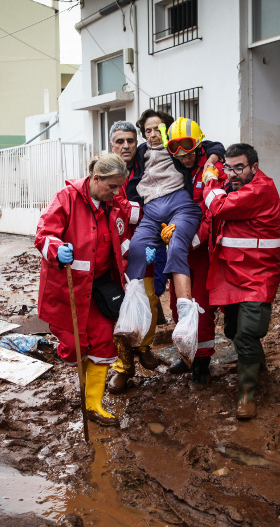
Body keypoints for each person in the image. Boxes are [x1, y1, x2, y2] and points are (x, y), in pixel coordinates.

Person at [35, 153, 139, 426]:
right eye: (112, 186)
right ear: (95, 179)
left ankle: (93, 404)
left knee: (104, 340)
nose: (117, 193)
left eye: (120, 187)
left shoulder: (114, 204)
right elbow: (44, 235)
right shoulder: (66, 198)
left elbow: (121, 239)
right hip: (68, 289)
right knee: (74, 345)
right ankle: (82, 384)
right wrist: (56, 249)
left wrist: (138, 255)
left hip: (101, 288)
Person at [122, 110, 223, 358]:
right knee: (138, 252)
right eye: (148, 131)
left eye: (158, 129)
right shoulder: (141, 154)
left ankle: (189, 322)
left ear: (168, 132)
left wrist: (211, 160)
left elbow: (211, 145)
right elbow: (120, 157)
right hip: (153, 214)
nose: (154, 135)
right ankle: (132, 318)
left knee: (179, 252)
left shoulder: (177, 149)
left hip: (185, 216)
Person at [202, 144, 280, 419]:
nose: (233, 174)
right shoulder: (235, 184)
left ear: (254, 168)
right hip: (233, 274)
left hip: (258, 276)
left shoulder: (260, 189)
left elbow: (218, 206)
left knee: (247, 333)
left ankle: (246, 394)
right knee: (234, 330)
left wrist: (210, 179)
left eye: (240, 167)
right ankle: (258, 366)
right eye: (229, 167)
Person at [161, 117, 228, 389]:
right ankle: (185, 355)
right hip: (179, 250)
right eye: (176, 149)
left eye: (188, 148)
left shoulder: (211, 170)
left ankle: (201, 365)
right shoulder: (175, 170)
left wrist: (193, 241)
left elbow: (214, 212)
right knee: (179, 304)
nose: (184, 155)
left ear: (199, 145)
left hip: (201, 251)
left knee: (200, 306)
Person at [106, 121, 161, 394]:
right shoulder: (104, 171)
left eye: (130, 140)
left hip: (144, 246)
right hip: (113, 250)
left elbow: (211, 146)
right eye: (119, 141)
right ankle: (123, 367)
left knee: (149, 299)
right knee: (118, 310)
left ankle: (144, 346)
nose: (125, 146)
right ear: (111, 144)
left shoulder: (146, 161)